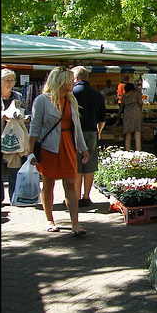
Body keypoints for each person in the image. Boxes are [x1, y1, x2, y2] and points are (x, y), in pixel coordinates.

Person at [28, 66, 89, 235]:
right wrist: (30, 152)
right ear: (60, 81)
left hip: (68, 145)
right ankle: (49, 220)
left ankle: (75, 224)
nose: (73, 82)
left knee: (71, 183)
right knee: (48, 184)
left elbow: (77, 128)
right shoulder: (42, 100)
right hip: (49, 147)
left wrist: (83, 148)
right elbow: (34, 128)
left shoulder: (71, 100)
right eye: (70, 79)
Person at [72, 66, 106, 207]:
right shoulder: (97, 94)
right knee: (90, 165)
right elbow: (102, 118)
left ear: (76, 78)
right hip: (92, 132)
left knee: (77, 166)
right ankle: (86, 196)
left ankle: (76, 196)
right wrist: (98, 131)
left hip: (74, 133)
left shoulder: (72, 93)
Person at [2, 68, 27, 203]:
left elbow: (26, 113)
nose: (10, 83)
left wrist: (22, 116)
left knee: (14, 170)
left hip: (14, 138)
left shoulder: (17, 96)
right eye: (7, 80)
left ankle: (14, 197)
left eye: (12, 80)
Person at [116, 82, 143, 151]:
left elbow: (121, 108)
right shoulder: (137, 93)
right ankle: (138, 151)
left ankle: (127, 151)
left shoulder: (124, 96)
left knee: (128, 133)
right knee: (137, 132)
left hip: (127, 112)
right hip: (136, 111)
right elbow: (140, 102)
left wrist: (118, 118)